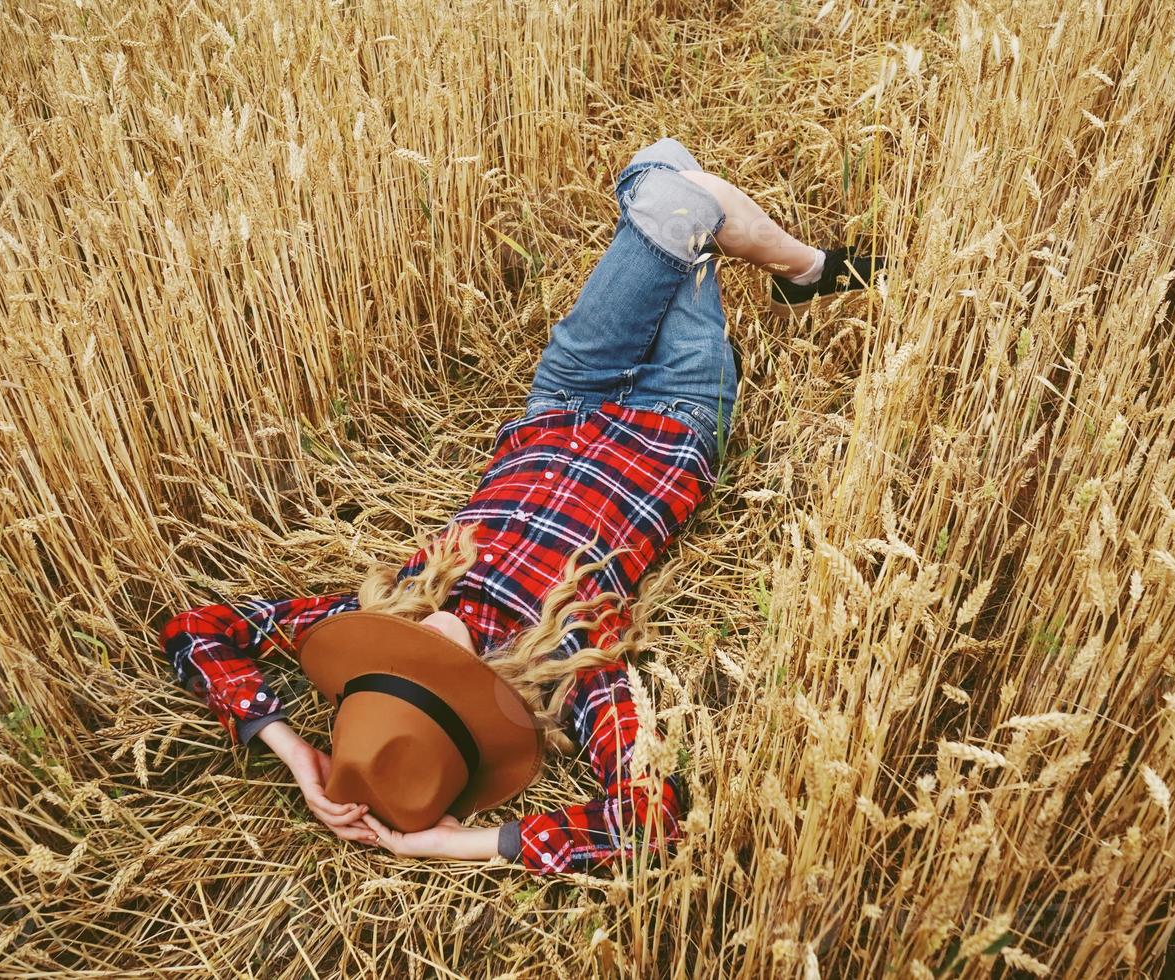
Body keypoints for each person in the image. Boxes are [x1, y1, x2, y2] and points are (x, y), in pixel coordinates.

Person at [159, 138, 881, 875]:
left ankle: (802, 269)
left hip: (570, 389)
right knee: (671, 187)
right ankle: (804, 268)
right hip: (679, 410)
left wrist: (290, 748)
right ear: (468, 703)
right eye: (430, 661)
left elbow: (198, 630)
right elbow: (648, 816)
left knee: (664, 177)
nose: (421, 633)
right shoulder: (570, 666)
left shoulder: (385, 610)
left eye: (394, 656)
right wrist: (455, 844)